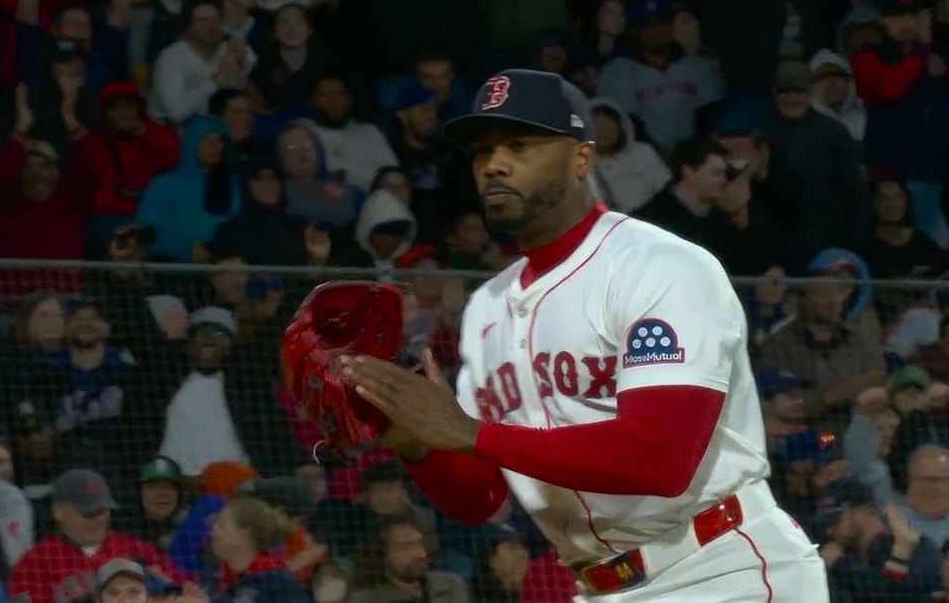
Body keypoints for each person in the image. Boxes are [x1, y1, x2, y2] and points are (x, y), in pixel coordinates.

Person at [339, 70, 828, 600]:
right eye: (482, 152)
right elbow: (478, 497)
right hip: (600, 584)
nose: (494, 164)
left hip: (719, 567)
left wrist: (472, 434)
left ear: (581, 158)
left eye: (520, 145)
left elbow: (661, 458)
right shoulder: (484, 312)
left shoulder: (659, 266)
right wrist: (413, 439)